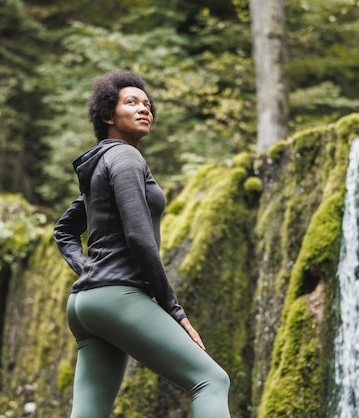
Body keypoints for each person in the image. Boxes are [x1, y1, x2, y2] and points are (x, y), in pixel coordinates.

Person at [53, 70, 231, 418]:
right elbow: (139, 237)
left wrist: (89, 269)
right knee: (211, 380)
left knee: (89, 412)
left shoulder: (103, 163)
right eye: (131, 102)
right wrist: (174, 310)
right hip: (117, 298)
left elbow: (64, 230)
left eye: (147, 104)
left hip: (85, 305)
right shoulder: (126, 158)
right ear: (108, 115)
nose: (144, 109)